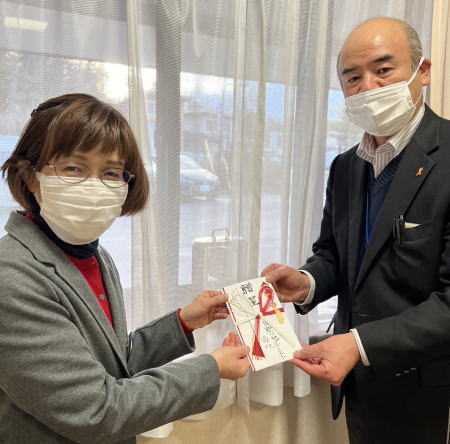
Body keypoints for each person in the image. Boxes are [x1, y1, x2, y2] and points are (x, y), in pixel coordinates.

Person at [0, 93, 250, 444]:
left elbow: (114, 361)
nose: (94, 187)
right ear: (31, 176)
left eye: (111, 173)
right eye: (73, 168)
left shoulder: (94, 255)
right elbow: (96, 410)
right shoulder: (12, 277)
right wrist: (212, 368)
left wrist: (184, 321)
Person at [263, 17, 450, 444]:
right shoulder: (345, 166)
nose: (367, 87)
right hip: (359, 385)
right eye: (352, 78)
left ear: (422, 71)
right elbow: (335, 253)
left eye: (383, 70)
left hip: (429, 389)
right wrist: (307, 282)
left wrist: (359, 343)